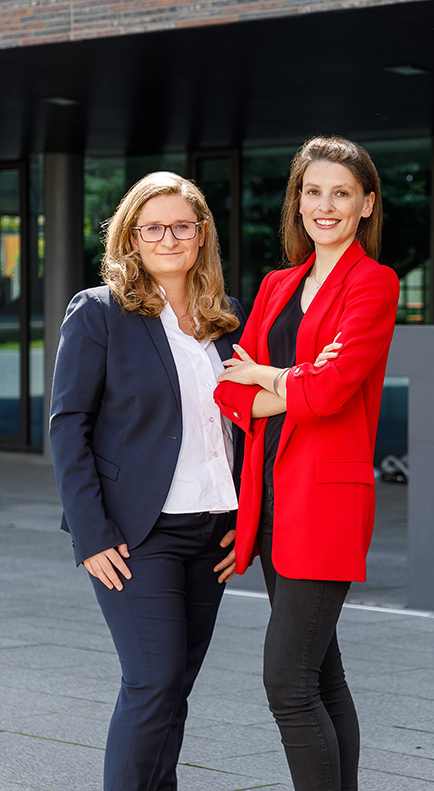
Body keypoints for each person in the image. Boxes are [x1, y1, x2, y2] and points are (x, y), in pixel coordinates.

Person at [49, 172, 246, 791]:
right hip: (137, 535)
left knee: (173, 689)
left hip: (212, 530)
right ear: (131, 237)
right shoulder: (100, 312)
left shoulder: (224, 318)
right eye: (152, 226)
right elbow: (67, 425)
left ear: (201, 234)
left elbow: (240, 428)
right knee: (152, 681)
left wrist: (247, 525)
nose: (168, 237)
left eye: (181, 226)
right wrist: (91, 533)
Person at [214, 135, 400, 790]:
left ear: (367, 204)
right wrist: (285, 381)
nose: (326, 205)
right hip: (267, 506)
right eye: (313, 191)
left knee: (287, 682)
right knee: (322, 675)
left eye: (342, 193)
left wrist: (267, 373)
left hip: (326, 506)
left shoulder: (375, 285)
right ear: (298, 201)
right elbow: (227, 391)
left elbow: (330, 391)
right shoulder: (275, 284)